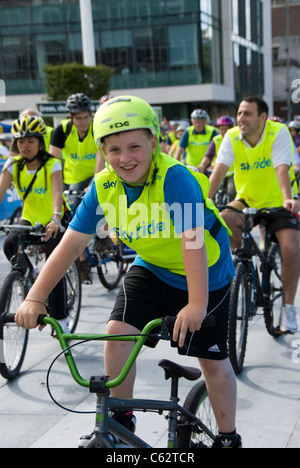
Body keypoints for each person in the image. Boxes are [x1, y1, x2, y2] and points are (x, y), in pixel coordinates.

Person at [15, 95, 242, 449]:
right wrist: (34, 297)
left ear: (154, 142)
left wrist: (196, 304)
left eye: (135, 146)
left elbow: (192, 244)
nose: (125, 157)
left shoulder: (175, 178)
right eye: (114, 149)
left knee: (213, 362)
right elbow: (71, 245)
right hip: (152, 267)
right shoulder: (104, 186)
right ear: (102, 151)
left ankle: (228, 438)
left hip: (205, 274)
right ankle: (120, 420)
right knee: (117, 332)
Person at [209, 96, 300, 335]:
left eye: (247, 113)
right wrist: (204, 200)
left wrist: (287, 197)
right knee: (223, 222)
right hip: (247, 200)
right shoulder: (231, 137)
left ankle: (289, 308)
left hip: (279, 202)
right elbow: (219, 170)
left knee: (291, 248)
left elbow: (282, 166)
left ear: (262, 117)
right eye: (239, 113)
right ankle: (241, 273)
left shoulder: (278, 132)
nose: (241, 118)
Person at [0, 115, 71, 332]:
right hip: (30, 218)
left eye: (30, 141)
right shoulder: (13, 165)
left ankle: (60, 317)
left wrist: (56, 218)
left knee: (54, 261)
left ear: (40, 142)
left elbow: (58, 193)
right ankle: (30, 276)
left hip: (54, 217)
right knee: (9, 244)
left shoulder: (52, 163)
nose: (25, 146)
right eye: (21, 141)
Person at [50, 92, 104, 198]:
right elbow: (53, 160)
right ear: (71, 117)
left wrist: (94, 183)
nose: (83, 122)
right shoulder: (62, 130)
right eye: (79, 118)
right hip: (72, 179)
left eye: (86, 117)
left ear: (91, 114)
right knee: (72, 205)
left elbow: (101, 159)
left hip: (95, 174)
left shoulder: (96, 128)